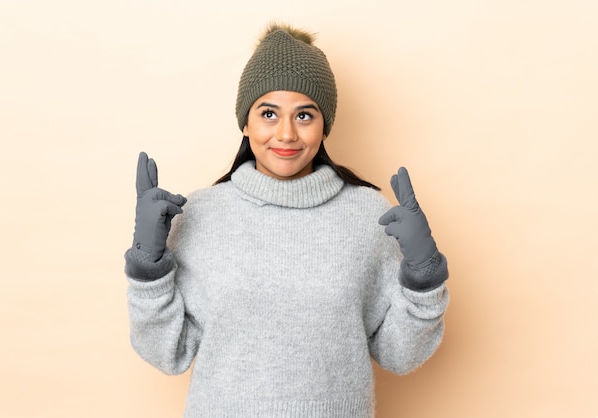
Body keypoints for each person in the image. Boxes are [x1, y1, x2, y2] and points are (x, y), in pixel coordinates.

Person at [124, 23, 449, 418]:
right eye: (268, 113)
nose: (286, 133)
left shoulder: (368, 216)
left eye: (305, 115)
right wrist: (147, 266)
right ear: (246, 123)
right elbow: (167, 353)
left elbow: (398, 354)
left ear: (325, 125)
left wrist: (424, 275)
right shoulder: (201, 215)